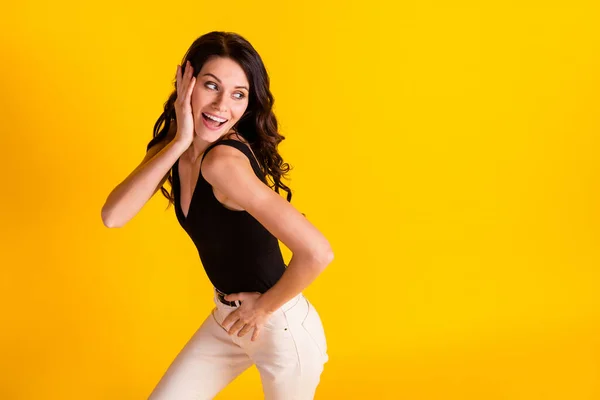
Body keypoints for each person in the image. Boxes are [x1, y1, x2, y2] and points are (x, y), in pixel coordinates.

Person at [100, 31, 333, 399]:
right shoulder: (176, 147)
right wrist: (178, 143)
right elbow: (113, 216)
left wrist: (263, 309)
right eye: (212, 86)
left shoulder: (224, 164)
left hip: (279, 328)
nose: (223, 105)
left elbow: (318, 252)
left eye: (239, 95)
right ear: (185, 83)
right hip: (228, 319)